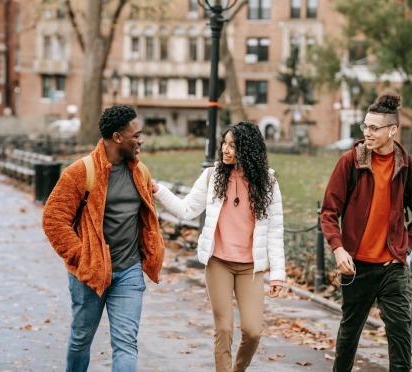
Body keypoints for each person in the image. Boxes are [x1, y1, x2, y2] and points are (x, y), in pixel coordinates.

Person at [151, 122, 285, 372]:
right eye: (224, 143)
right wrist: (158, 190)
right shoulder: (213, 176)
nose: (225, 149)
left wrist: (278, 274)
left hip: (250, 268)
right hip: (218, 263)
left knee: (253, 331)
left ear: (248, 149)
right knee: (223, 329)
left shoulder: (268, 183)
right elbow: (187, 209)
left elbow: (276, 231)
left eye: (233, 145)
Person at [42, 105, 165, 372]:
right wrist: (81, 256)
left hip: (129, 271)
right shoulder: (81, 172)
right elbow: (53, 219)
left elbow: (145, 218)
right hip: (90, 272)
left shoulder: (140, 172)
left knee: (126, 344)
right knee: (80, 340)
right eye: (136, 135)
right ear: (118, 137)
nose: (140, 140)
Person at [321, 93, 412, 372]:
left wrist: (402, 249)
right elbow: (328, 213)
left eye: (374, 128)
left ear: (392, 130)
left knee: (399, 334)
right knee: (349, 333)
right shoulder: (350, 162)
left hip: (392, 266)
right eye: (365, 127)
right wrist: (338, 248)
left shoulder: (409, 167)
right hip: (356, 267)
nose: (367, 133)